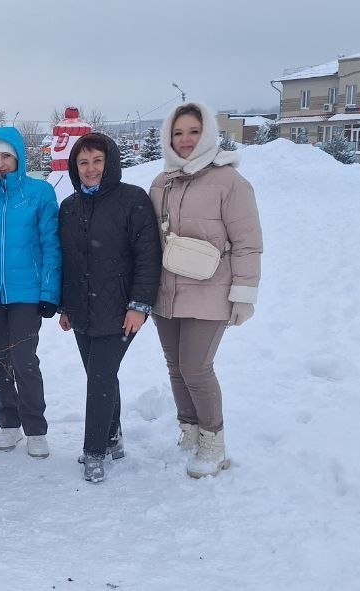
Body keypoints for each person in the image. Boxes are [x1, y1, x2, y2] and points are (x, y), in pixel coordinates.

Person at [148, 102, 262, 479]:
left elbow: (247, 242)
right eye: (178, 133)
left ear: (208, 134)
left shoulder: (230, 182)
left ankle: (214, 441)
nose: (185, 140)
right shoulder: (161, 183)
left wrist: (243, 293)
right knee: (176, 368)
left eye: (193, 132)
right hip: (167, 292)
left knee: (196, 368)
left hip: (211, 291)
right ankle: (191, 428)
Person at [57, 132, 159, 483]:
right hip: (82, 309)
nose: (90, 169)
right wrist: (65, 307)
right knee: (100, 374)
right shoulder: (69, 207)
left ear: (110, 162)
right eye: (83, 162)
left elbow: (147, 256)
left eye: (97, 161)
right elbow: (69, 261)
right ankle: (112, 435)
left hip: (120, 310)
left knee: (99, 378)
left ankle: (94, 451)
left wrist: (139, 305)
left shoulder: (132, 199)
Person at [0, 127, 61, 458]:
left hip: (26, 291)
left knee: (24, 361)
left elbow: (50, 244)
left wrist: (49, 291)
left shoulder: (39, 192)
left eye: (6, 157)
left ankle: (36, 428)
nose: (1, 164)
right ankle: (9, 423)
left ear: (19, 157)